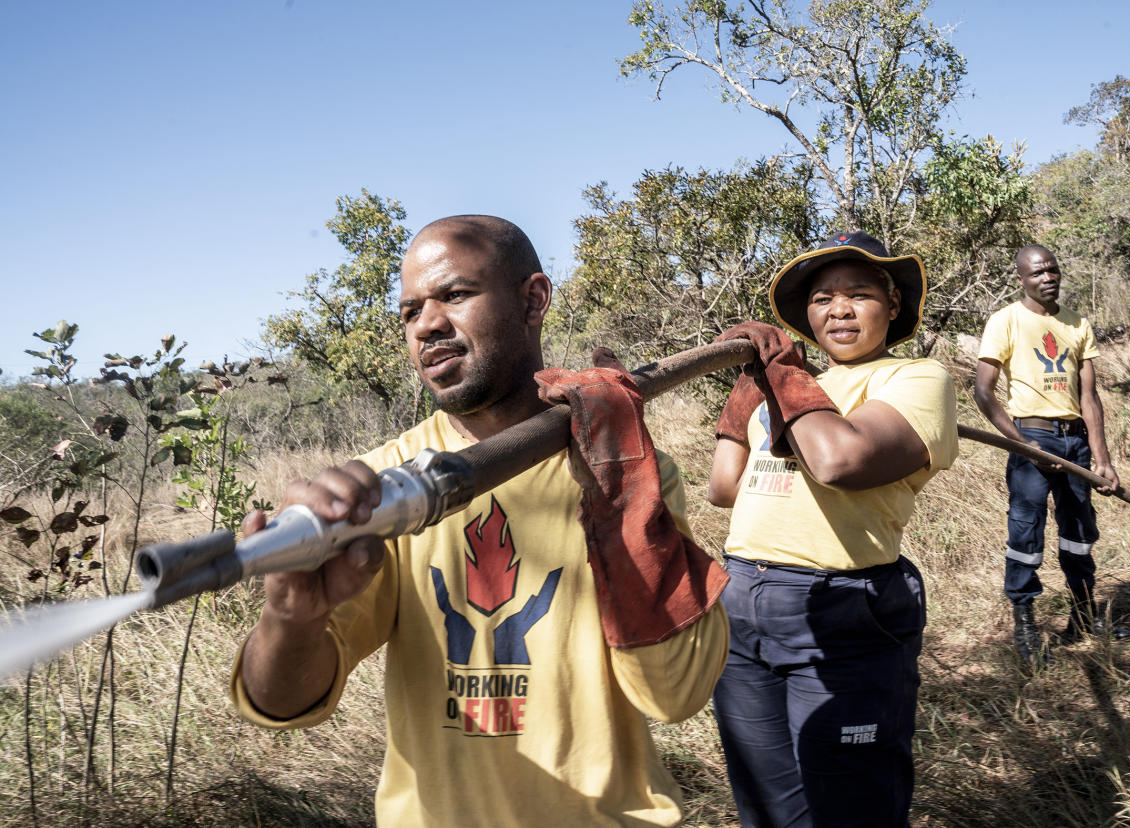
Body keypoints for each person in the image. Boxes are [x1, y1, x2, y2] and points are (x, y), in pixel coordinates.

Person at [230, 215, 729, 827]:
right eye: (410, 311)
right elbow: (282, 706)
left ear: (533, 299)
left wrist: (621, 488)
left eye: (456, 295)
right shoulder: (382, 488)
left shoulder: (625, 471)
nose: (428, 324)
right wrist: (289, 616)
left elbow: (674, 695)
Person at [706, 231, 958, 827]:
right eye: (822, 299)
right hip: (740, 600)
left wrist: (782, 373)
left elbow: (838, 461)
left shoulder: (916, 379)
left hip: (842, 609)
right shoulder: (785, 390)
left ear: (892, 306)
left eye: (859, 294)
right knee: (769, 805)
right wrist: (746, 395)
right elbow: (724, 489)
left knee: (851, 804)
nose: (838, 309)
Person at [973, 244, 1127, 668]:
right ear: (1022, 278)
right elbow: (983, 393)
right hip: (1031, 438)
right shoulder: (1005, 321)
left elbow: (1089, 397)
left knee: (1079, 531)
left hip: (1075, 441)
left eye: (1053, 270)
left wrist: (1103, 459)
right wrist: (1024, 444)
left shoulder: (1078, 324)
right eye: (1037, 273)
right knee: (1026, 533)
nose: (1047, 277)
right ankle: (1025, 623)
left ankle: (1083, 616)